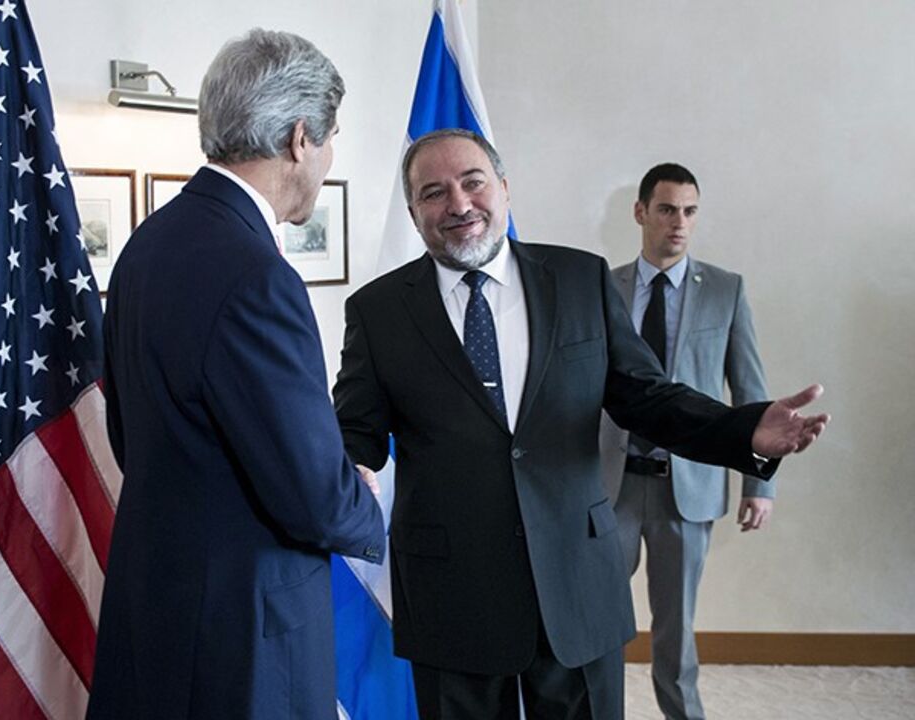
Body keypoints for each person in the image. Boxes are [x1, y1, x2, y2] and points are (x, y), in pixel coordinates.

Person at [332, 129, 828, 720]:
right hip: (450, 591)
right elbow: (355, 427)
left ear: (505, 188)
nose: (459, 205)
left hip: (575, 576)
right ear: (414, 213)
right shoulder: (379, 309)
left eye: (473, 183)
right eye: (434, 193)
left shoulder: (579, 279)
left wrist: (742, 431)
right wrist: (348, 463)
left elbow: (647, 397)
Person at [87, 29, 386, 720]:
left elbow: (131, 438)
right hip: (244, 636)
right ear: (300, 138)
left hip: (158, 604)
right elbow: (312, 493)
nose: (327, 157)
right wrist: (361, 497)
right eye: (332, 137)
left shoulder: (145, 245)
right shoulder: (258, 277)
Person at [597, 163, 771, 720]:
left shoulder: (725, 290)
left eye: (690, 211)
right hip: (610, 486)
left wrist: (759, 483)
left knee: (675, 634)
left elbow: (751, 394)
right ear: (640, 212)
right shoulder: (602, 286)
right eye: (668, 209)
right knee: (599, 619)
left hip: (687, 488)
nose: (679, 223)